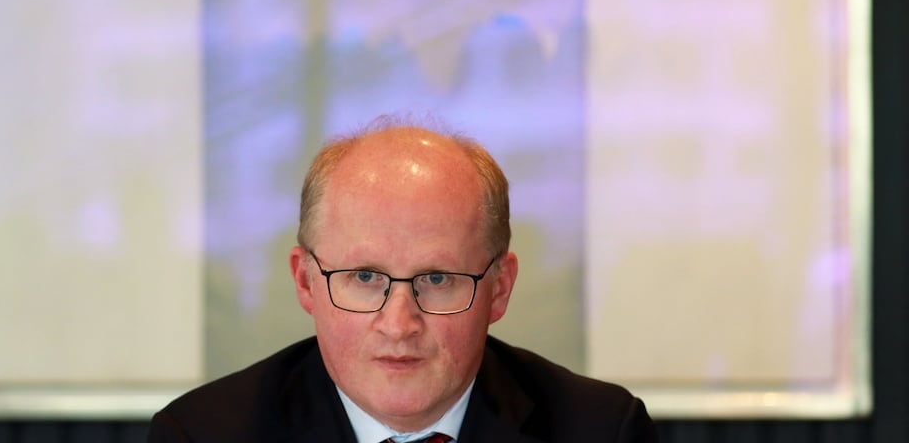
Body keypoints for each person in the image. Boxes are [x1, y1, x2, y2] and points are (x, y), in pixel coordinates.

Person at [147, 115, 658, 442]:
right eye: (365, 276)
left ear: (499, 288)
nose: (399, 323)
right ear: (305, 282)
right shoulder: (202, 436)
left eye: (436, 279)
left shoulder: (599, 431)